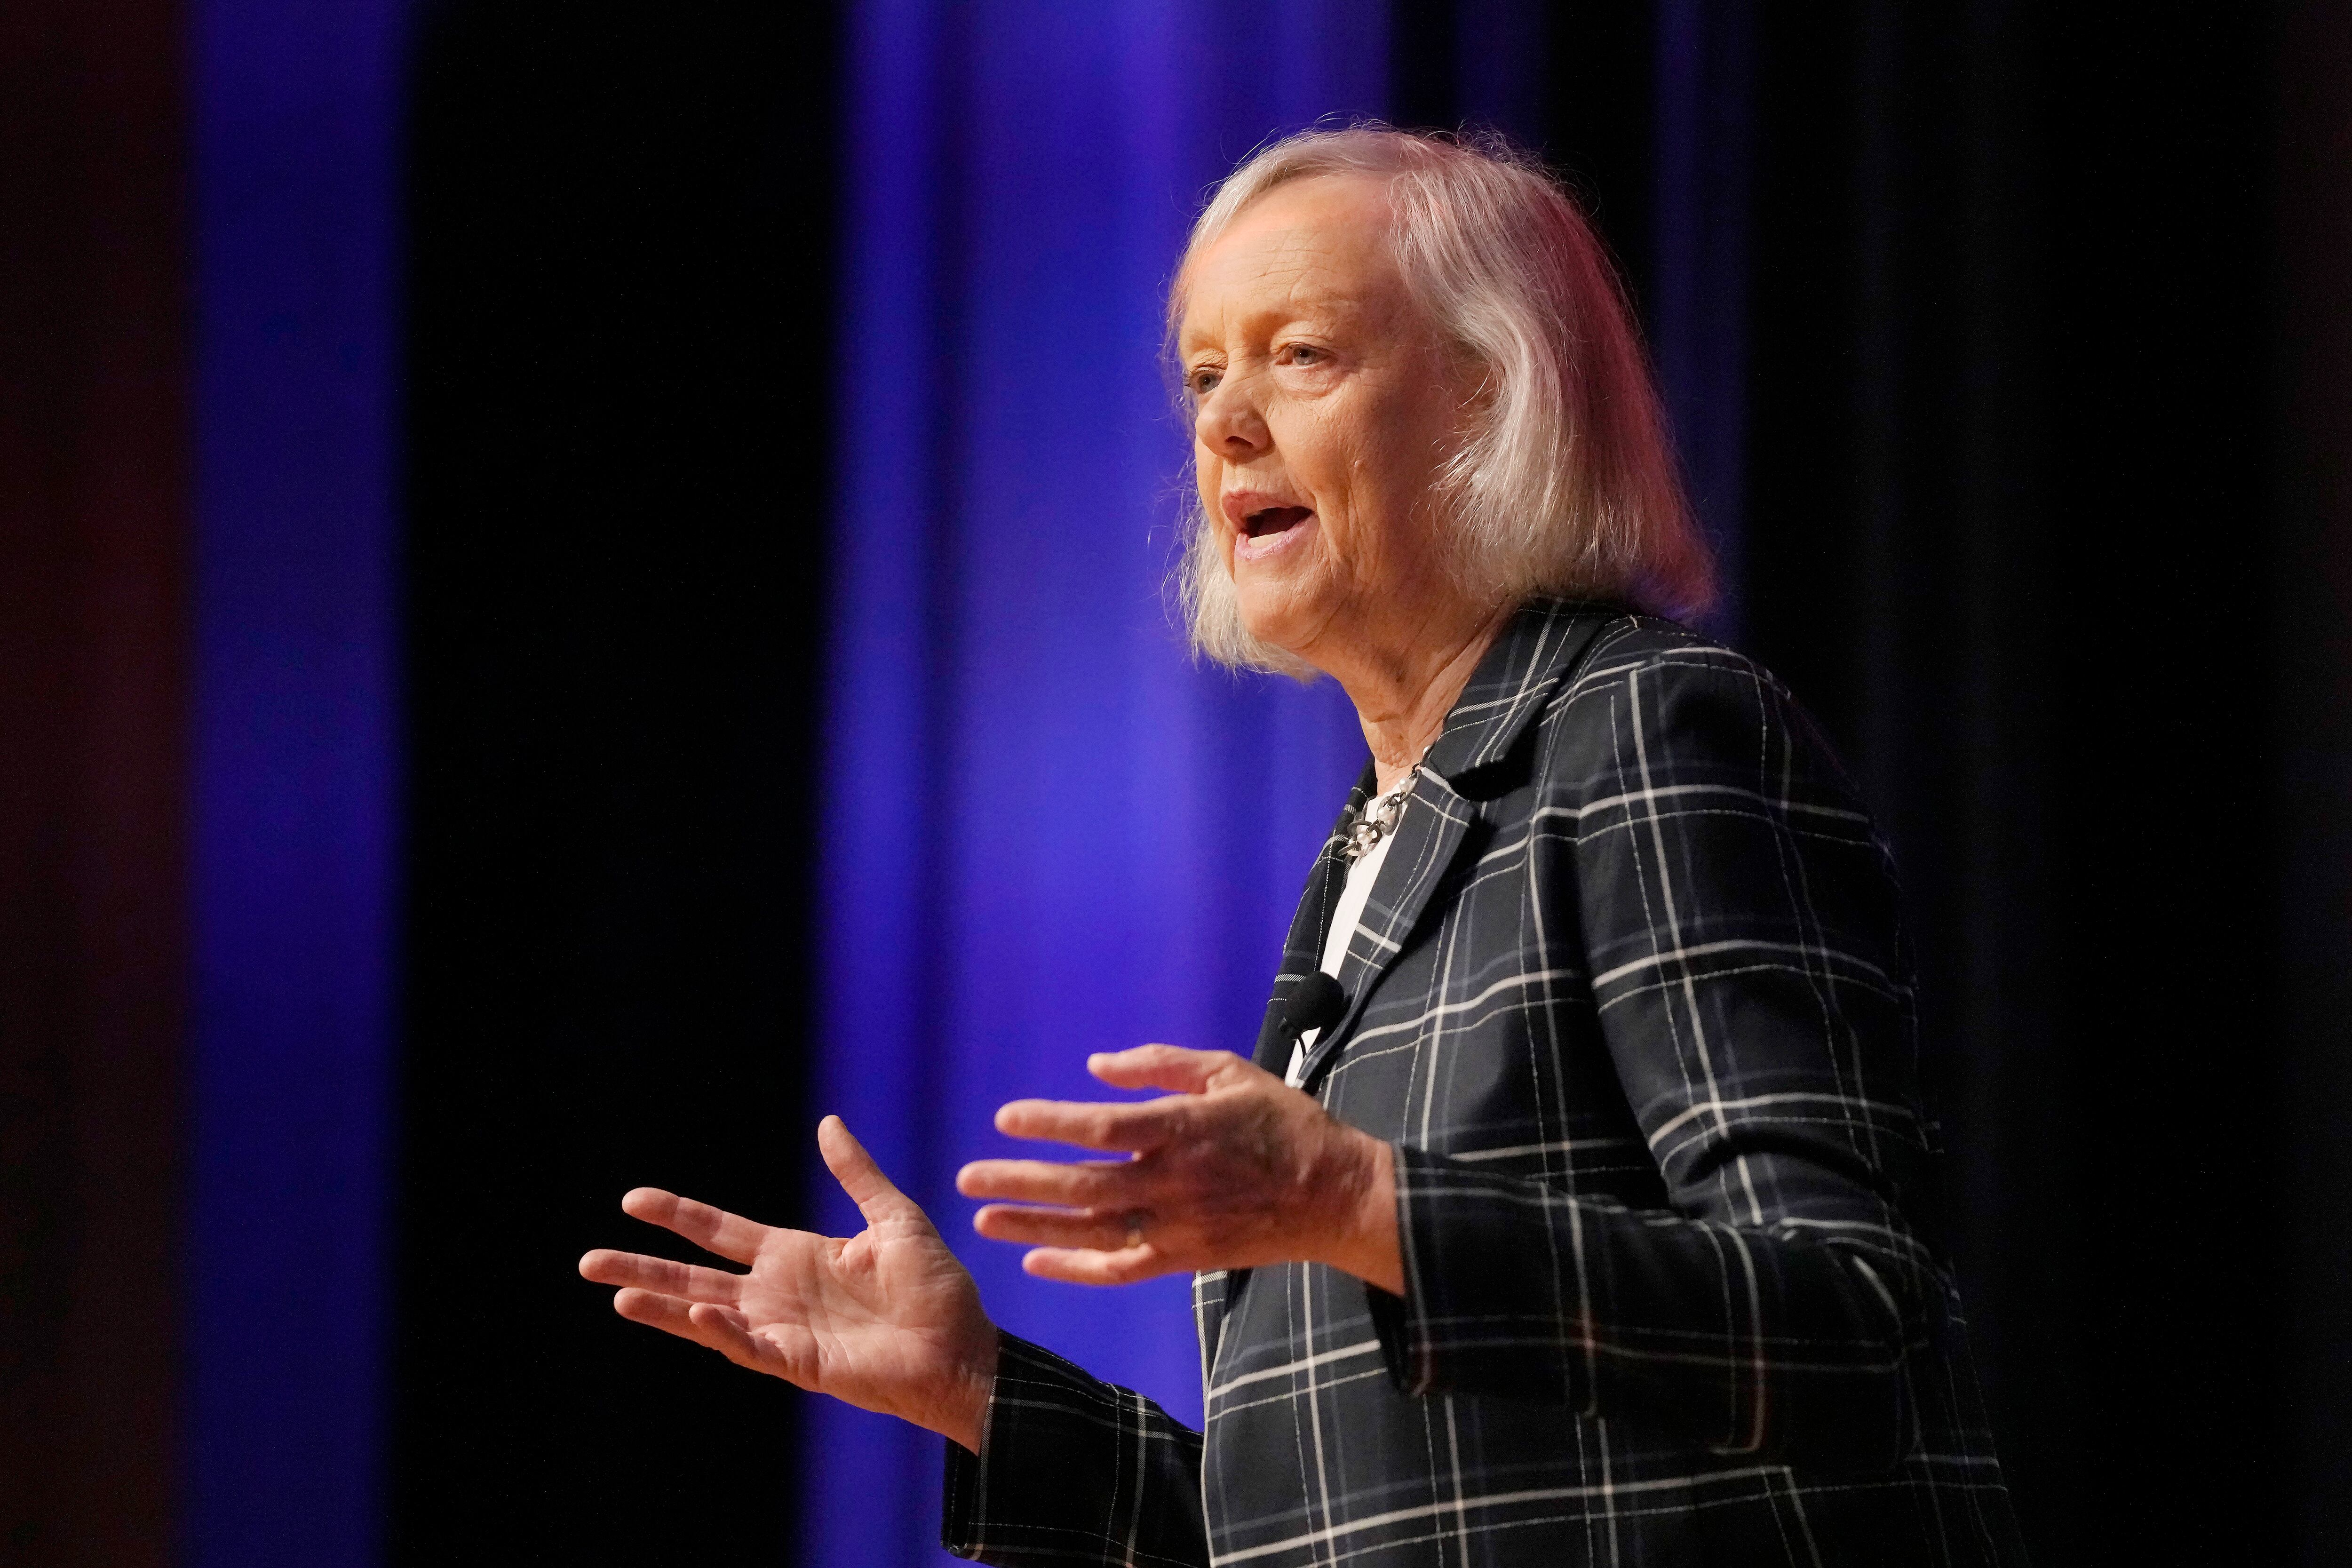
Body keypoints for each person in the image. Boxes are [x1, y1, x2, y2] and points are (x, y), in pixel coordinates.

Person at [580, 127, 2029, 1566]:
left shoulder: (1645, 730)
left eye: (1302, 356)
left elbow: (1852, 1328)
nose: (1224, 425)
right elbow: (1349, 1523)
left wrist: (1353, 1201)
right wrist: (979, 1392)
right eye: (1204, 375)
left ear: (1492, 396)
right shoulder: (1372, 849)